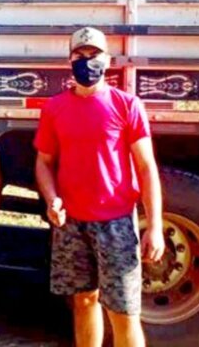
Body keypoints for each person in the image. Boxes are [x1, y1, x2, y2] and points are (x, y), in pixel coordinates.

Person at [34, 26, 164, 347]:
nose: (87, 61)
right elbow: (44, 163)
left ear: (107, 60)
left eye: (94, 55)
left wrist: (155, 226)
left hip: (116, 222)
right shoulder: (54, 108)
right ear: (70, 61)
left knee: (123, 311)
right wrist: (52, 199)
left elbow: (146, 168)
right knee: (83, 301)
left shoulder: (126, 105)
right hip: (72, 223)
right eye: (80, 55)